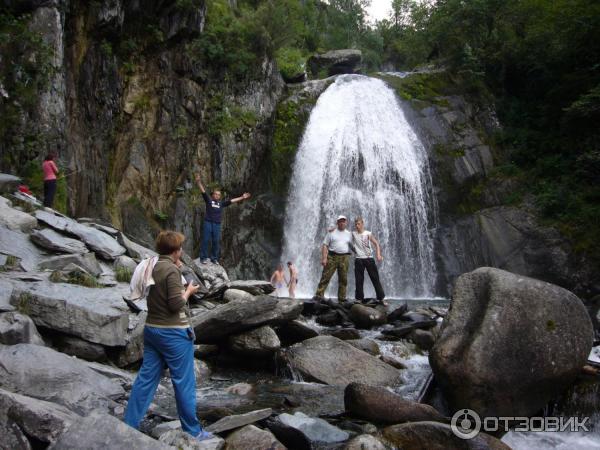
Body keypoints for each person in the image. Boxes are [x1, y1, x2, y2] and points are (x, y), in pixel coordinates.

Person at [124, 231, 214, 442]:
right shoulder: (171, 272)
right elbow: (176, 304)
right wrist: (189, 291)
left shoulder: (153, 265)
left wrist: (180, 268)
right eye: (180, 248)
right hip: (173, 334)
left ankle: (129, 423)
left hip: (152, 330)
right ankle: (193, 431)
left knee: (146, 379)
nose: (182, 251)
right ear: (175, 251)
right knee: (184, 382)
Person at [194, 173, 251, 264]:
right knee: (206, 239)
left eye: (219, 195)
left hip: (217, 224)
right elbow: (203, 192)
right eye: (216, 194)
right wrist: (198, 182)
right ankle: (203, 257)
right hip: (208, 222)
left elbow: (231, 201)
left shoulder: (221, 204)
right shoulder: (209, 201)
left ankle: (214, 258)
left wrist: (242, 197)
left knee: (216, 241)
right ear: (213, 195)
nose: (217, 196)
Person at [314, 215, 353, 301]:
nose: (342, 223)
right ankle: (319, 296)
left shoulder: (349, 234)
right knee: (325, 277)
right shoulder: (331, 232)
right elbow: (325, 245)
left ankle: (342, 299)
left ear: (346, 222)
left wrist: (360, 253)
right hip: (332, 257)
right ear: (337, 222)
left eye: (343, 221)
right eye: (340, 221)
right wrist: (324, 258)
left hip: (344, 257)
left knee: (343, 279)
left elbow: (353, 245)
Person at [352, 217, 386, 305]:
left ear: (362, 224)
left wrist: (378, 255)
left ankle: (381, 298)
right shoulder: (353, 234)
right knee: (359, 280)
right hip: (359, 259)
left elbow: (376, 244)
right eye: (356, 224)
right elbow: (343, 234)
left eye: (358, 224)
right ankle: (359, 299)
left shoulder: (368, 233)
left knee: (375, 278)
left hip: (369, 259)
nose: (357, 226)